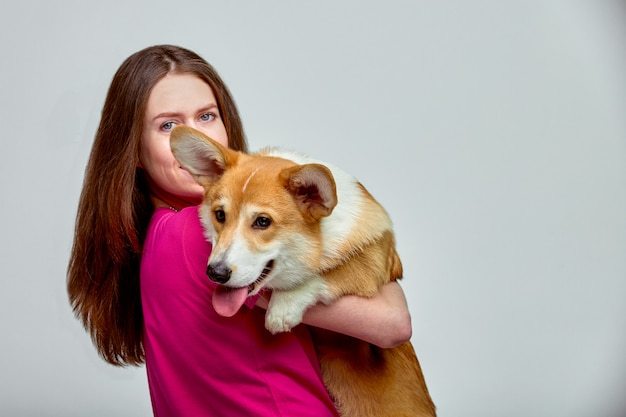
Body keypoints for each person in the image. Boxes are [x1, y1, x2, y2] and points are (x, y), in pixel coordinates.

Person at [67, 44, 413, 416]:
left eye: (207, 115)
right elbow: (393, 323)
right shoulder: (196, 234)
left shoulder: (154, 239)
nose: (199, 137)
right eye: (168, 125)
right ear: (133, 150)